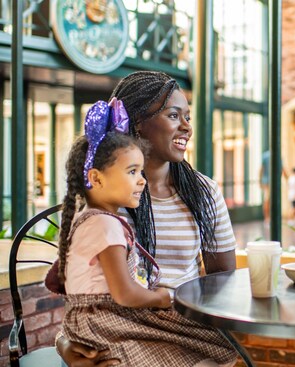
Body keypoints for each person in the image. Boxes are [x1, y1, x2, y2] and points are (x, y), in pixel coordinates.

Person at [55, 71, 239, 366]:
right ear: (137, 122)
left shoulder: (203, 192)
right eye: (174, 115)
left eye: (187, 117)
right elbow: (79, 285)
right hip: (115, 328)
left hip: (182, 325)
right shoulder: (103, 195)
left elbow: (223, 285)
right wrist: (64, 342)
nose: (186, 127)